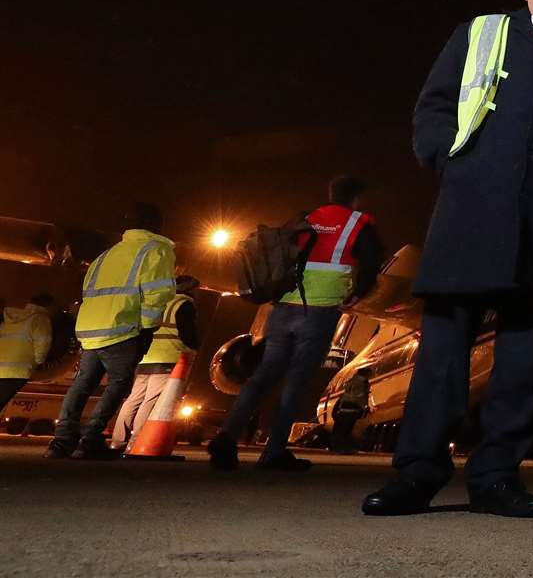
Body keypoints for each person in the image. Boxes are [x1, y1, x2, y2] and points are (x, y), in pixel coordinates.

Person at [363, 0, 533, 518]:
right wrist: (450, 159)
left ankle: (497, 478)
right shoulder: (481, 33)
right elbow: (434, 104)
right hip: (472, 212)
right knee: (443, 354)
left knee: (523, 362)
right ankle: (417, 474)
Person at [209, 176, 384, 472]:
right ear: (357, 198)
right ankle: (274, 451)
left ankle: (226, 437)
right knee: (297, 381)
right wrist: (357, 295)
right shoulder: (358, 223)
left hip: (283, 308)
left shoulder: (307, 218)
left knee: (263, 376)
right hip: (320, 312)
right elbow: (371, 263)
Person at [47, 204, 175, 459]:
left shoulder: (108, 254)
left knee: (82, 384)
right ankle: (91, 439)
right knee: (119, 383)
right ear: (156, 225)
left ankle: (61, 441)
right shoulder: (156, 250)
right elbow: (157, 293)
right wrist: (147, 327)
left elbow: (88, 289)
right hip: (123, 328)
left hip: (92, 328)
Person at [111, 273, 200, 450]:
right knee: (150, 401)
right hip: (168, 357)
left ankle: (117, 441)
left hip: (146, 357)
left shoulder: (159, 302)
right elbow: (187, 334)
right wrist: (194, 347)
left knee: (133, 399)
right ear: (189, 289)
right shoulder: (184, 304)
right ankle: (136, 441)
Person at [0, 293, 56, 413]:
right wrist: (39, 361)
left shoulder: (11, 317)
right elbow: (42, 343)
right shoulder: (40, 319)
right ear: (49, 305)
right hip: (17, 370)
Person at [330, 367, 372, 454]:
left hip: (344, 408)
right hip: (353, 409)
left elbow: (345, 395)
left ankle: (335, 447)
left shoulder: (351, 381)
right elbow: (362, 397)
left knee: (340, 429)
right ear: (366, 374)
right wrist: (365, 408)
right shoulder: (363, 382)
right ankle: (343, 448)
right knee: (347, 429)